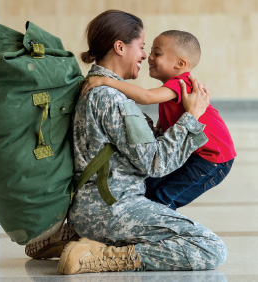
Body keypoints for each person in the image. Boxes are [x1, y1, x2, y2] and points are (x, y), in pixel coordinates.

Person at [57, 10, 227, 275]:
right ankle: (102, 255)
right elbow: (156, 164)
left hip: (95, 206)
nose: (145, 56)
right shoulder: (111, 98)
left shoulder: (94, 87)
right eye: (143, 47)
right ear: (120, 47)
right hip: (112, 209)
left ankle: (73, 240)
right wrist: (192, 117)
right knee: (209, 247)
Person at [81, 30, 236, 210]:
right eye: (151, 51)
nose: (150, 57)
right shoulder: (171, 89)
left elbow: (145, 97)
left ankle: (160, 225)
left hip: (212, 159)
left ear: (180, 63)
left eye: (158, 53)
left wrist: (106, 81)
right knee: (149, 189)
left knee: (163, 197)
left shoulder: (180, 84)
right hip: (195, 154)